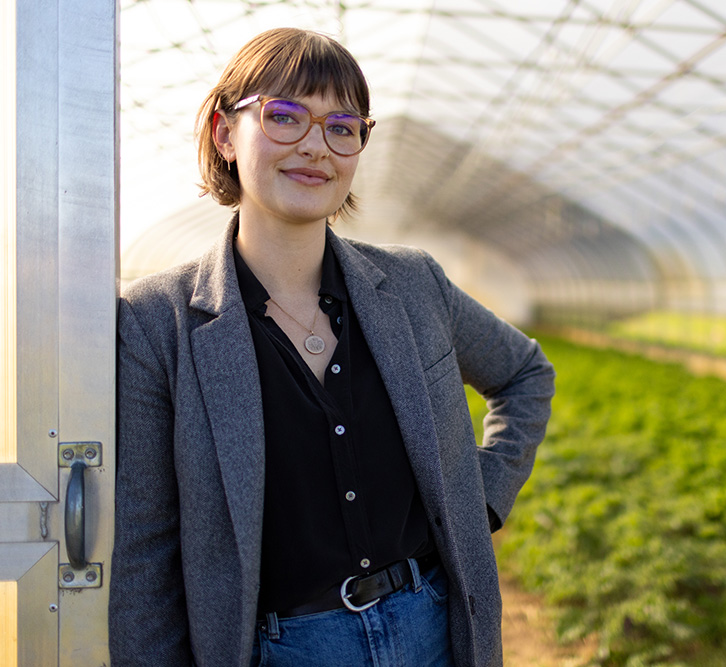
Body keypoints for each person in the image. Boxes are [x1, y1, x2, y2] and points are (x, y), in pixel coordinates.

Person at [110, 27, 555, 667]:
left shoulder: (412, 285)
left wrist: (479, 498)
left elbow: (525, 374)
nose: (317, 146)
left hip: (434, 629)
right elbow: (144, 552)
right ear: (224, 133)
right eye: (284, 116)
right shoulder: (159, 322)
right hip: (280, 648)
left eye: (343, 127)